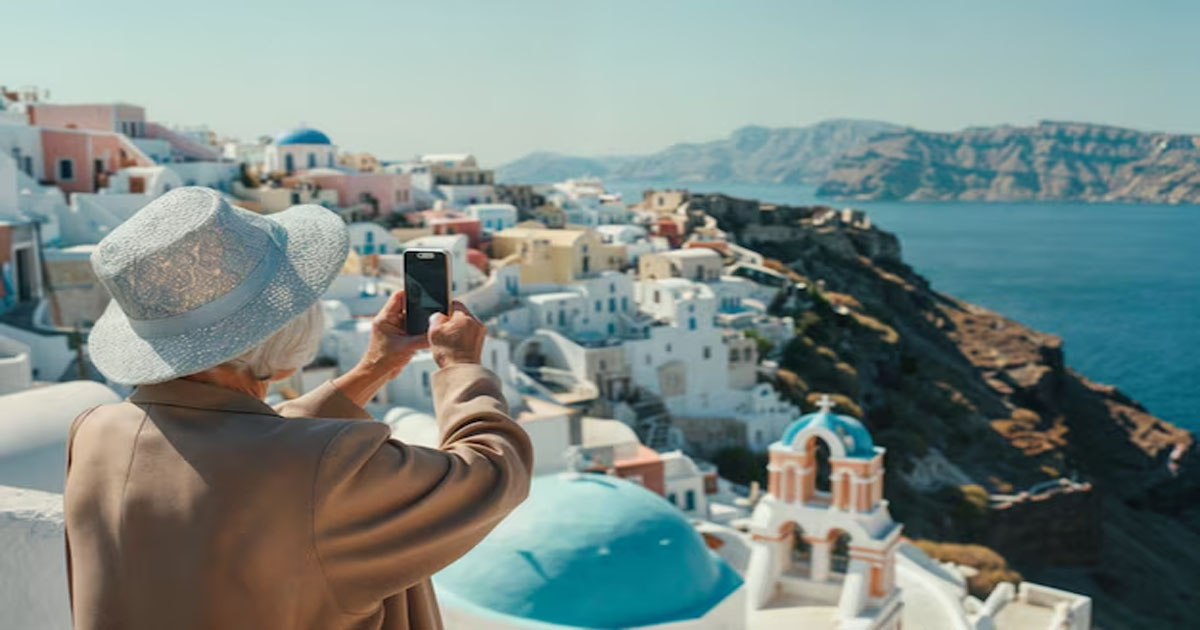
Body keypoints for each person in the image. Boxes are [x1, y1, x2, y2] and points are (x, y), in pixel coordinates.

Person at [63, 187, 533, 630]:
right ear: (277, 327)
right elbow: (495, 471)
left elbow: (247, 449)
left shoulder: (95, 431)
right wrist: (461, 365)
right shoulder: (322, 468)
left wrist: (374, 368)